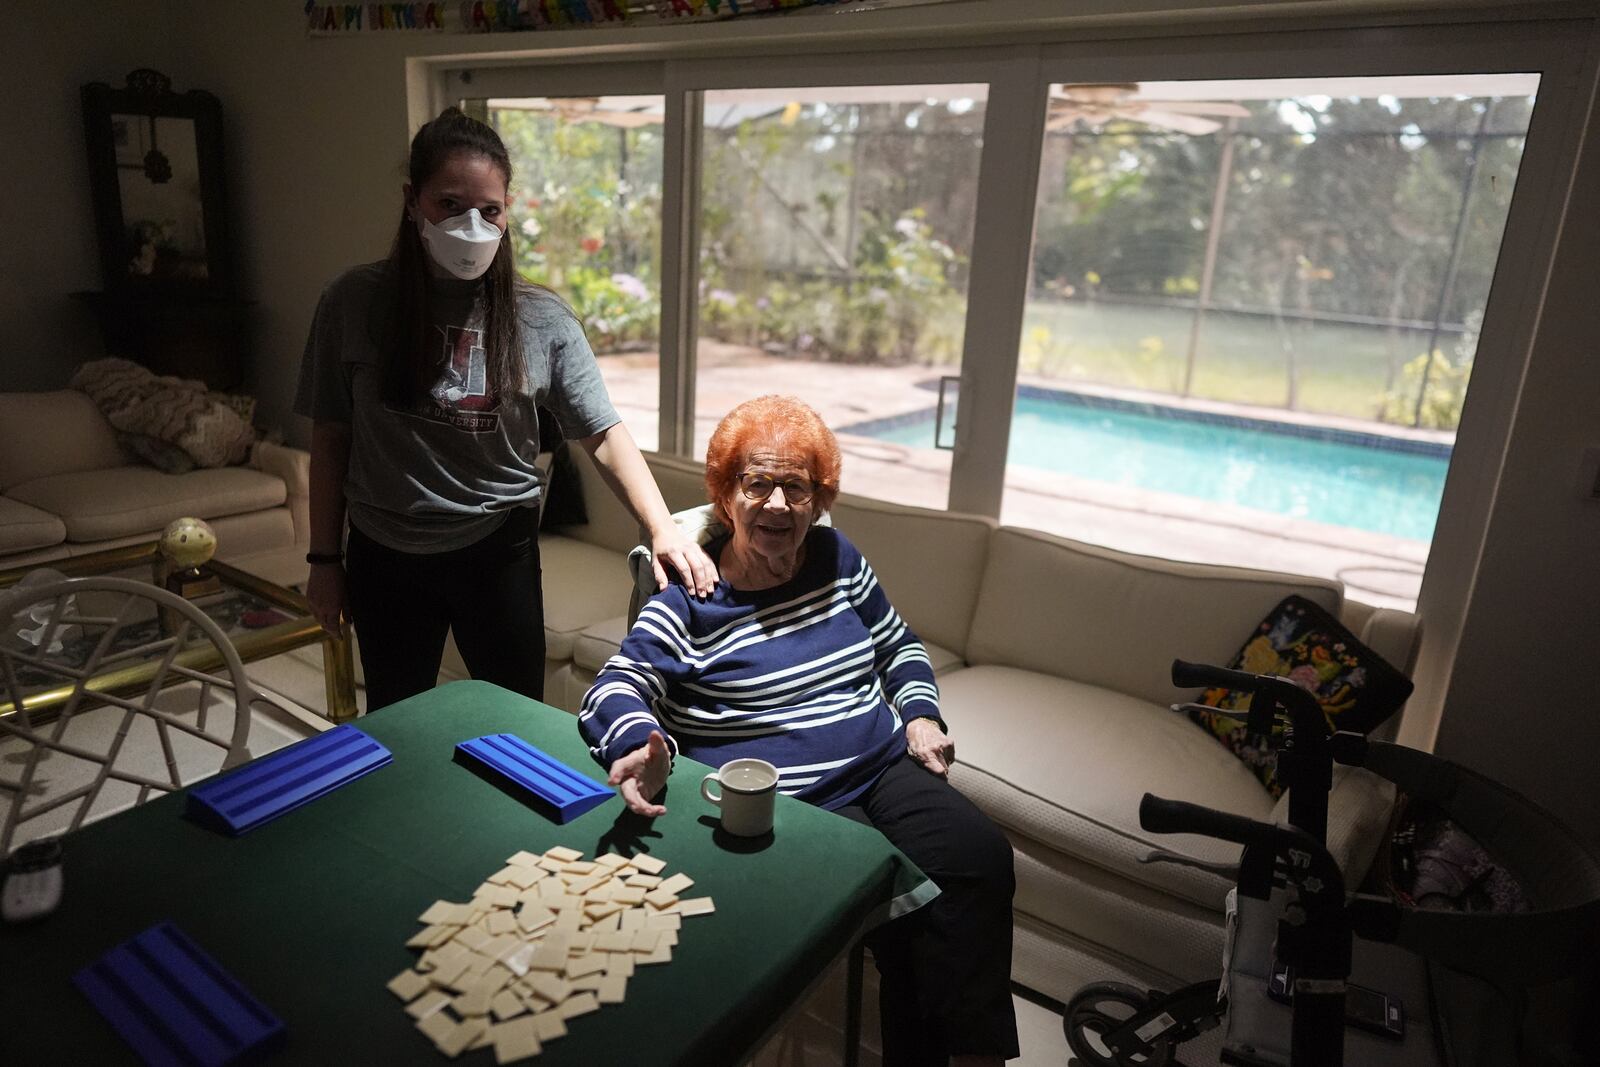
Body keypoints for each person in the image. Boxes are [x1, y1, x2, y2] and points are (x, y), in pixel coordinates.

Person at [578, 395, 1018, 1067]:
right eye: (758, 483)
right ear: (728, 496)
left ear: (819, 499)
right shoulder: (693, 594)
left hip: (881, 763)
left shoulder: (836, 557)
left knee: (980, 857)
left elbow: (899, 643)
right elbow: (615, 685)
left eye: (797, 487)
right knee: (902, 905)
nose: (779, 504)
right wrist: (636, 739)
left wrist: (922, 713)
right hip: (794, 800)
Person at [295, 107, 715, 711]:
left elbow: (602, 432)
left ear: (507, 211)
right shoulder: (352, 303)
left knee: (516, 724)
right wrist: (323, 561)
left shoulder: (541, 318)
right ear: (412, 201)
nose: (471, 224)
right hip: (385, 552)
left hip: (496, 551)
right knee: (396, 718)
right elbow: (331, 436)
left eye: (489, 210)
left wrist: (662, 527)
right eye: (450, 204)